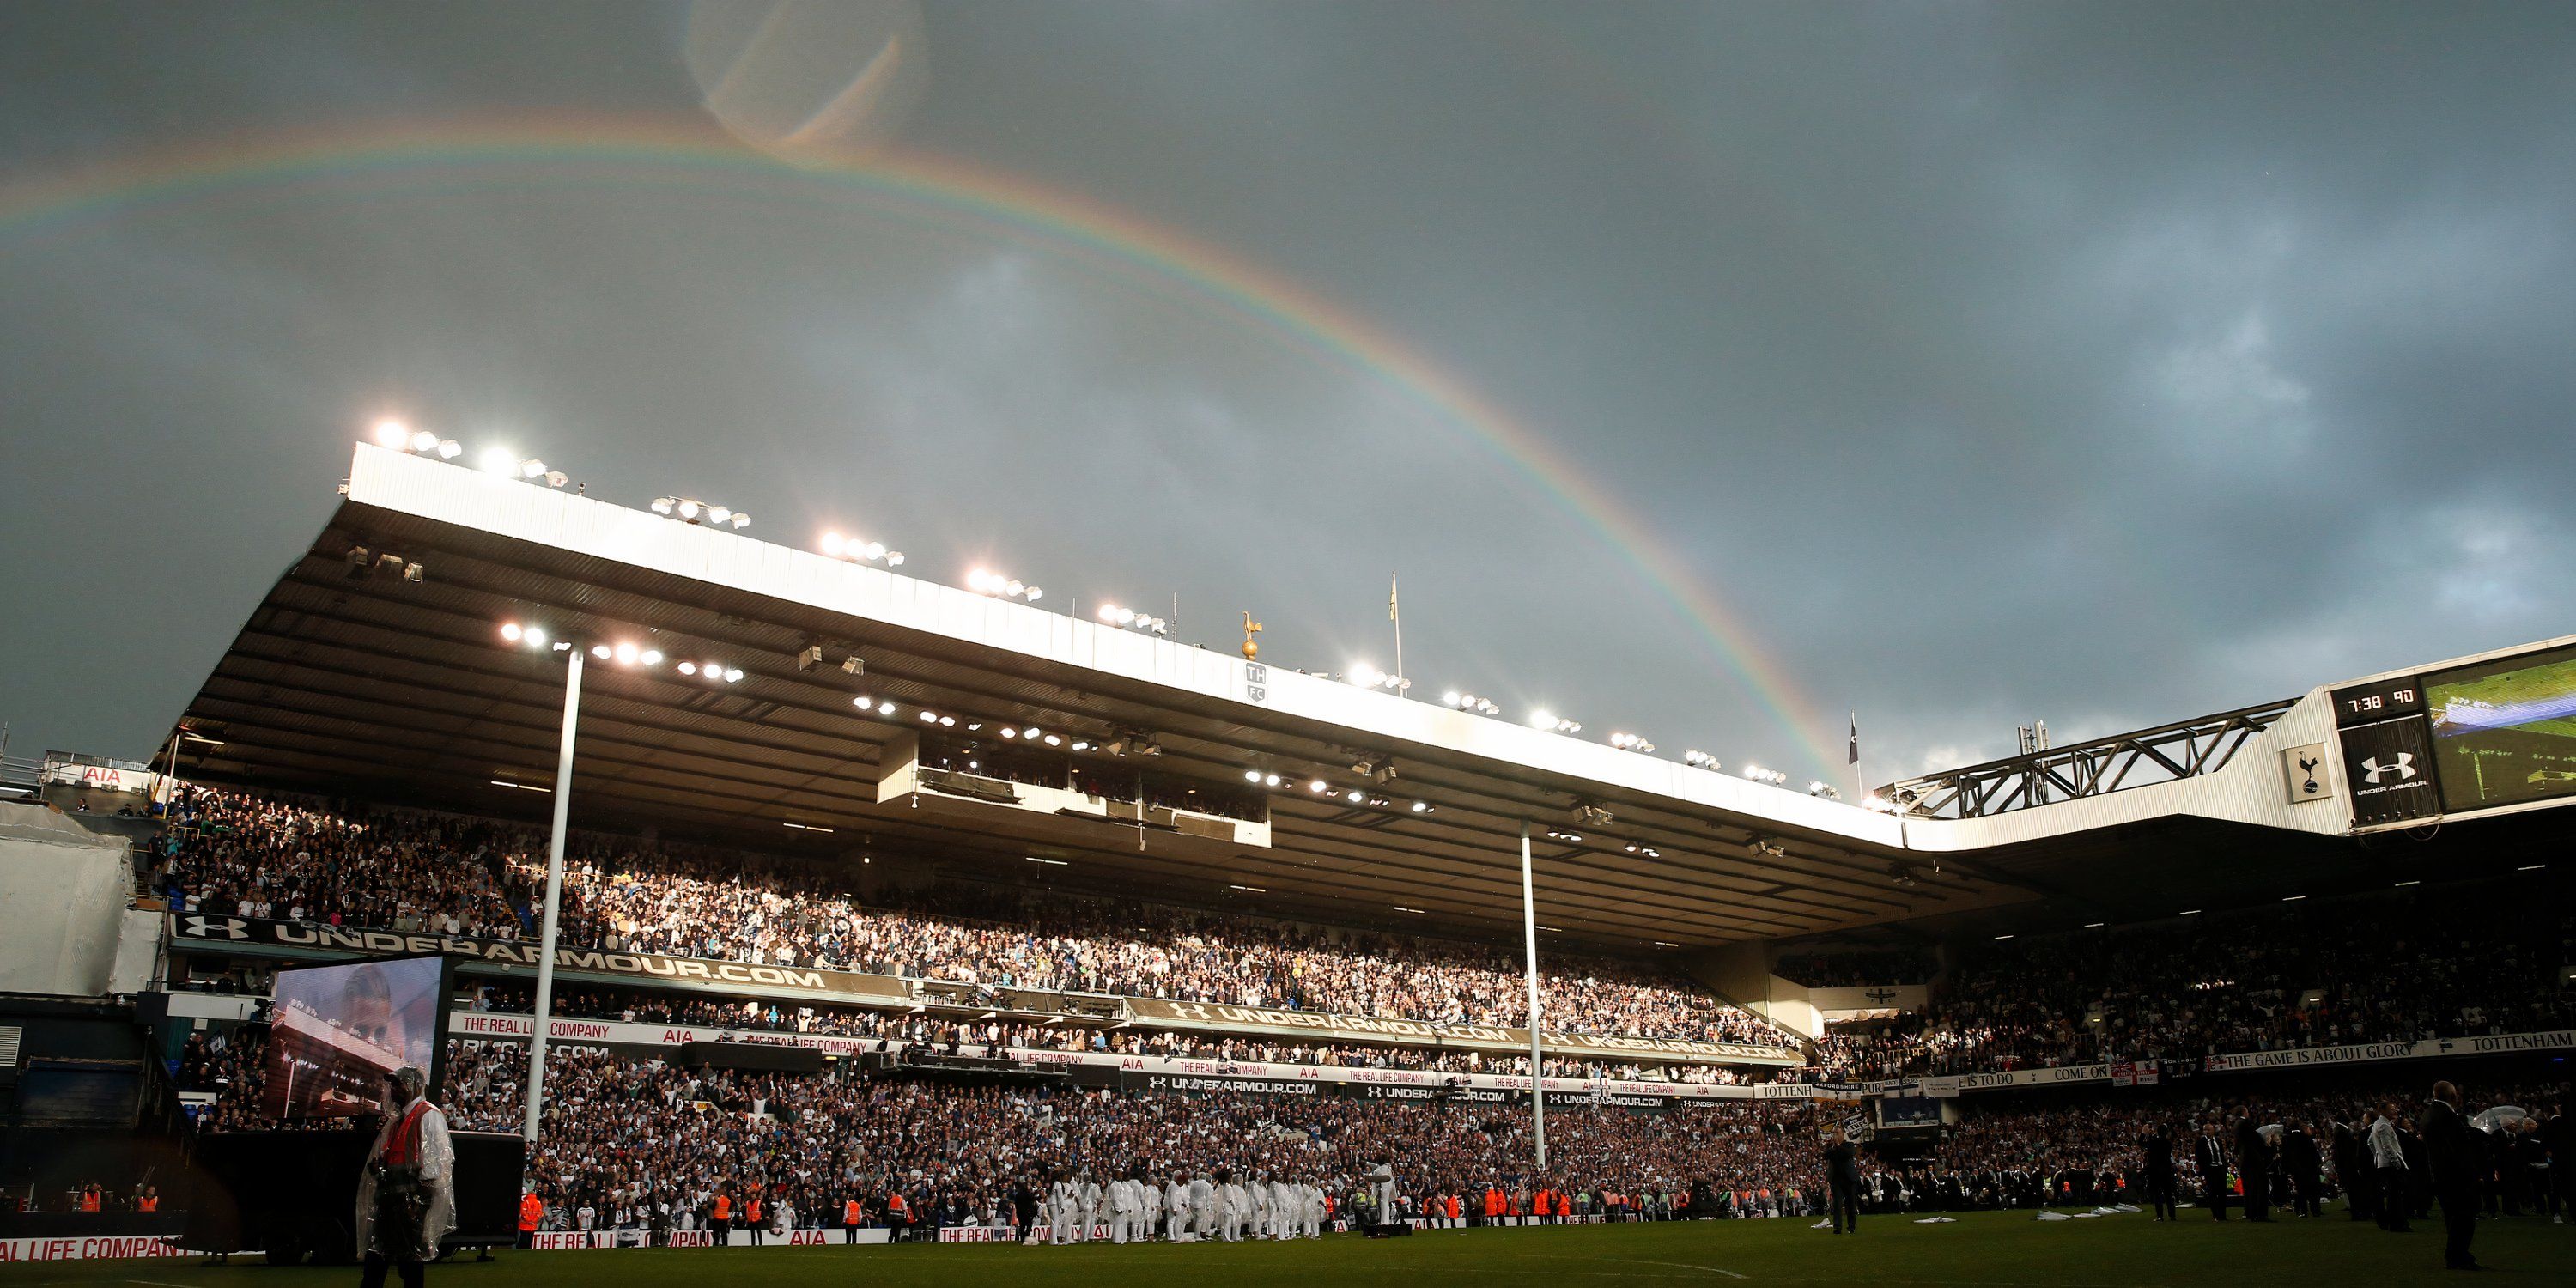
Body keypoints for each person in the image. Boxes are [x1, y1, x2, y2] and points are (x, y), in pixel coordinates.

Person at [354, 1066, 453, 1288]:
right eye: (393, 1085)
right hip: (390, 1202)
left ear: (415, 1086)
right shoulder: (398, 1120)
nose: (394, 1090)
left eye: (399, 1084)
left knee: (407, 1264)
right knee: (379, 1262)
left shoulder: (428, 1116)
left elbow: (434, 1166)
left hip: (409, 1205)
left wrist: (419, 1205)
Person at [2420, 1081, 2482, 1272]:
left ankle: (2457, 1255)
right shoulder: (2447, 1116)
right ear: (2454, 1096)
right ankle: (2458, 1256)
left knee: (2453, 1218)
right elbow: (2458, 1148)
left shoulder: (2428, 1114)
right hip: (2457, 1177)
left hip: (2441, 1175)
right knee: (2464, 1217)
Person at [2371, 1101, 2413, 1234]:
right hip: (2390, 1164)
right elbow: (2387, 1147)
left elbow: (2370, 1142)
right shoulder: (2384, 1125)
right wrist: (2396, 1162)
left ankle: (2395, 1223)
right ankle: (2398, 1224)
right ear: (2382, 1111)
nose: (2395, 1111)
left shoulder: (2378, 1124)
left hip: (2384, 1163)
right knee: (2396, 1196)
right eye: (2391, 1109)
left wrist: (2378, 1155)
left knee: (2393, 1195)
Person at [1824, 1130, 1861, 1234]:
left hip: (1849, 1179)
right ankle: (1837, 1227)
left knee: (1851, 1204)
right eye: (1834, 1133)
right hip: (1836, 1179)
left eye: (1837, 1133)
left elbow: (1849, 1154)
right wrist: (1834, 1146)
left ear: (1842, 1134)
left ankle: (1851, 1226)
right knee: (1837, 1204)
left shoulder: (1849, 1145)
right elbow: (1825, 1155)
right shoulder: (1831, 1147)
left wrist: (1838, 1145)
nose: (1835, 1135)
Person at [2195, 1117, 2231, 1221]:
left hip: (2220, 1169)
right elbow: (2198, 1157)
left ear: (2213, 1130)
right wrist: (2204, 1169)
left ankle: (2223, 1215)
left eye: (2208, 1129)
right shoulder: (2200, 1142)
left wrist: (2224, 1164)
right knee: (2212, 1193)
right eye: (2205, 1129)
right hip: (2210, 1170)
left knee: (2222, 1193)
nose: (2206, 1131)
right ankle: (2216, 1215)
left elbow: (2221, 1154)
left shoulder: (2218, 1140)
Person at [2142, 1122, 2177, 1221]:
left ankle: (2160, 1216)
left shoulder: (2153, 1141)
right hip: (2167, 1171)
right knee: (2169, 1194)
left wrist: (2144, 1133)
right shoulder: (2168, 1142)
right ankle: (2172, 1215)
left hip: (2155, 1171)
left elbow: (2142, 1143)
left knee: (2157, 1194)